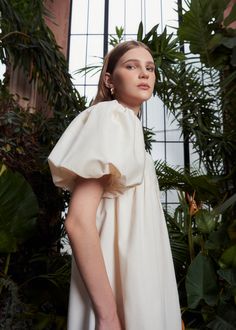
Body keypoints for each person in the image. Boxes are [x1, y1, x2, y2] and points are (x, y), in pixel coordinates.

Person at [48, 40, 182, 330]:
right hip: (115, 289)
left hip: (136, 278)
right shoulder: (111, 117)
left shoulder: (128, 127)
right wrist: (107, 316)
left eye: (150, 68)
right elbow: (79, 222)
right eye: (131, 66)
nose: (144, 74)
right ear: (109, 80)